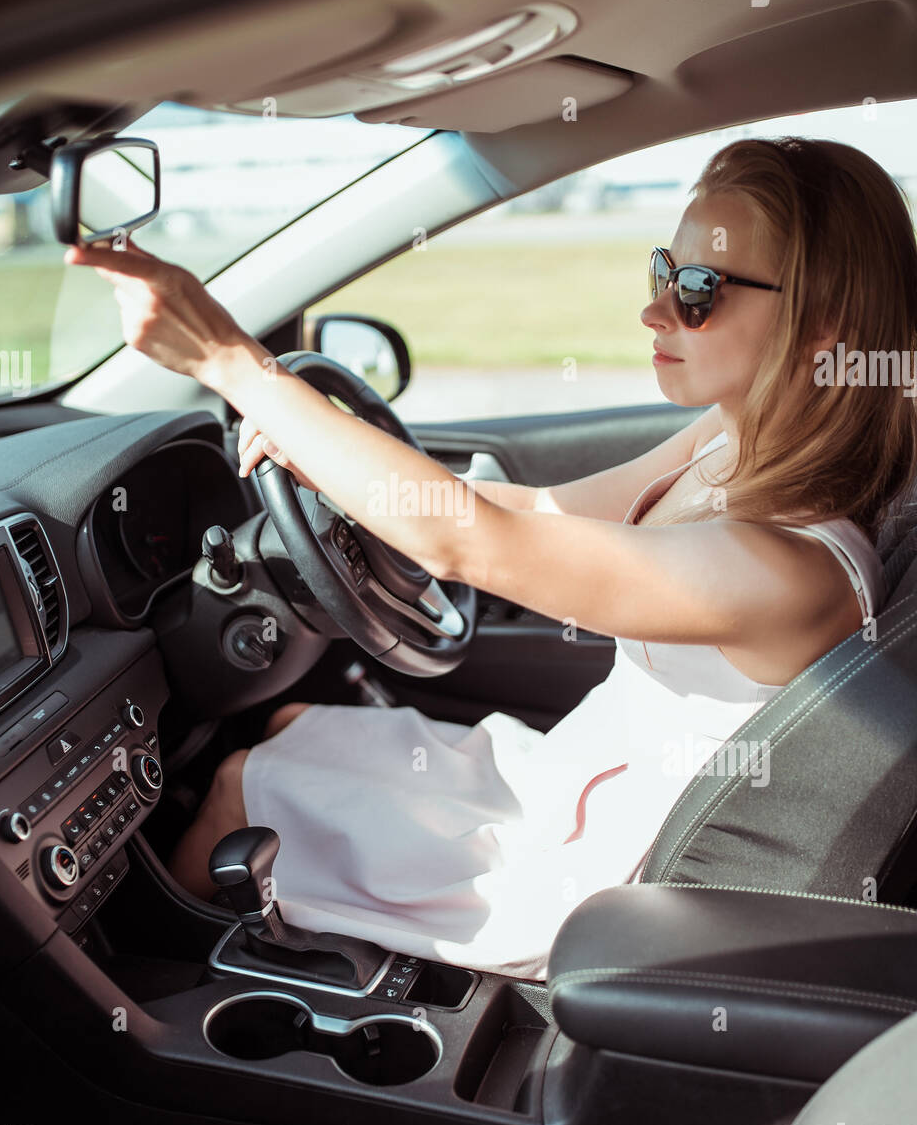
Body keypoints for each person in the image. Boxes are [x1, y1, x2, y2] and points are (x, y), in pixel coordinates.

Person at [66, 136, 917, 981]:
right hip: (563, 784)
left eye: (699, 291)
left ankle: (138, 1017)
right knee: (291, 727)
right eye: (664, 270)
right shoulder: (730, 441)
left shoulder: (786, 571)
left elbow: (471, 540)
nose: (656, 311)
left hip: (582, 880)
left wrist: (230, 361)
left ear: (822, 329)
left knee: (242, 787)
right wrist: (333, 455)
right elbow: (532, 510)